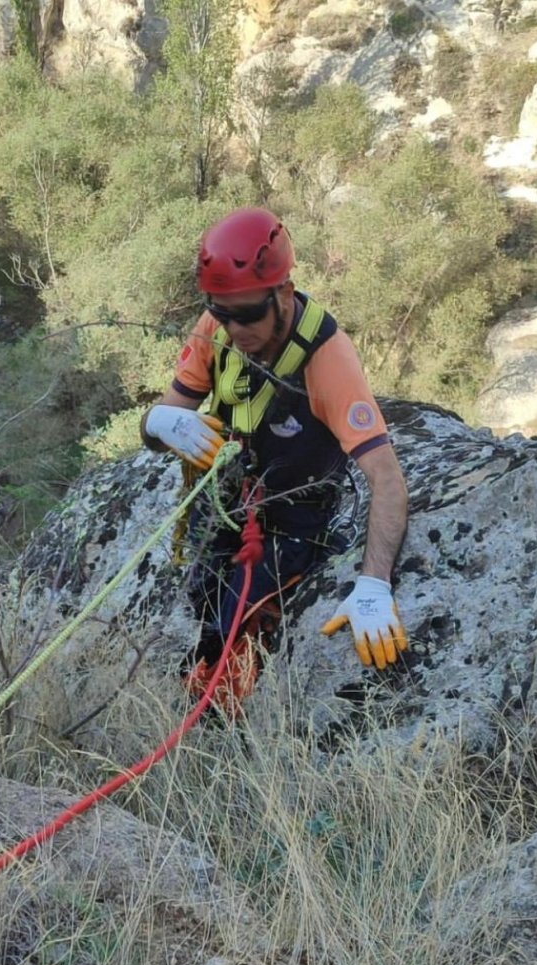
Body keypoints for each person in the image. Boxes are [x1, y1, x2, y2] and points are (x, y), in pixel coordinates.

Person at [140, 207, 408, 699]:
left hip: (289, 518)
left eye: (247, 315)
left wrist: (374, 584)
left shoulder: (327, 358)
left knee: (235, 627)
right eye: (222, 313)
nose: (235, 328)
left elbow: (387, 479)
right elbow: (159, 422)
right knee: (204, 600)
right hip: (220, 500)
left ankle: (221, 718)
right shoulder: (216, 327)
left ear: (283, 292)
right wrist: (159, 423)